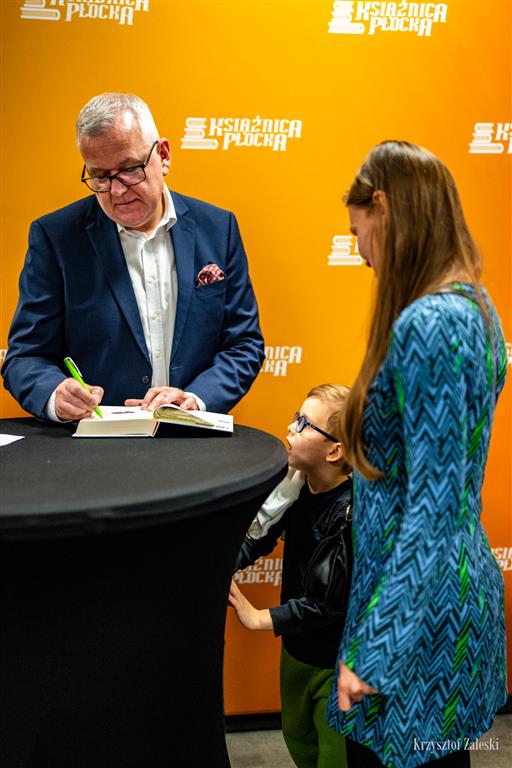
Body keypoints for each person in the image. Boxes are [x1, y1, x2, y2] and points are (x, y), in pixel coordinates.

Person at [325, 141, 508, 768]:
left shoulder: (431, 325)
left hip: (415, 623)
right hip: (432, 604)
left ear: (383, 207)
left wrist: (377, 649)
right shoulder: (472, 307)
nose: (360, 250)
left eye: (359, 231)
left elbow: (434, 509)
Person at [2, 92, 264, 421]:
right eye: (100, 176)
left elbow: (244, 344)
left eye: (129, 169)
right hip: (96, 442)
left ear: (163, 155)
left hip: (192, 436)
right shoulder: (56, 237)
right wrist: (54, 394)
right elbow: (25, 357)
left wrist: (195, 400)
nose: (117, 190)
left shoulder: (218, 228)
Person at [229, 384, 352, 768]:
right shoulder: (295, 486)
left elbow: (327, 603)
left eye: (304, 424)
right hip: (296, 652)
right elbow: (259, 537)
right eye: (296, 417)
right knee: (299, 742)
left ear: (334, 451)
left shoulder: (350, 513)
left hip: (336, 664)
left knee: (334, 757)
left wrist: (258, 618)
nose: (290, 428)